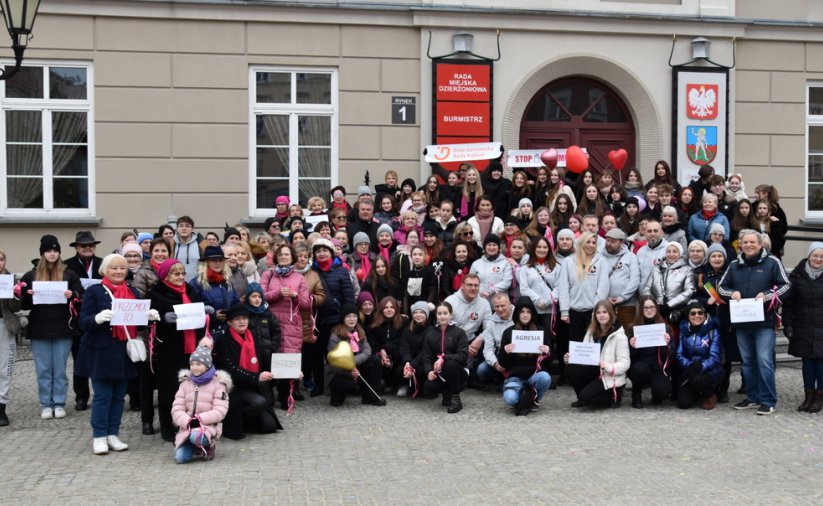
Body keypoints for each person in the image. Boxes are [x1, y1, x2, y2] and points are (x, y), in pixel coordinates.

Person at [76, 253, 161, 454]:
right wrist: (96, 319)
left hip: (124, 351)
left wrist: (148, 318)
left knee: (118, 397)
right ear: (105, 270)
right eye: (114, 268)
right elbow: (83, 322)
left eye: (122, 268)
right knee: (103, 396)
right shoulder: (94, 292)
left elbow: (138, 324)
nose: (118, 271)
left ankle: (113, 434)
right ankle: (99, 436)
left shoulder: (133, 292)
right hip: (101, 351)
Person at [718, 230, 790, 415]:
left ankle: (768, 400)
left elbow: (786, 285)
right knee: (748, 362)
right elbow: (721, 287)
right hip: (742, 322)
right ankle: (753, 396)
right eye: (745, 242)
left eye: (752, 242)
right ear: (740, 245)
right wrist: (731, 294)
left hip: (765, 322)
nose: (748, 245)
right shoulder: (734, 265)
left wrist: (767, 295)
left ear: (760, 245)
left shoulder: (772, 262)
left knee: (764, 360)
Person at [18, 235, 84, 420]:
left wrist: (73, 294)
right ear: (42, 253)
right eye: (49, 250)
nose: (52, 254)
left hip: (63, 327)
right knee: (43, 369)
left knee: (60, 368)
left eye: (55, 251)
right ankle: (45, 404)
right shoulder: (31, 275)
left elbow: (82, 296)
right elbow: (23, 304)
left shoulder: (69, 274)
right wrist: (27, 294)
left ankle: (59, 402)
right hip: (40, 328)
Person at [148, 258, 207, 441]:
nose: (180, 276)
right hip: (169, 348)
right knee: (169, 388)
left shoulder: (191, 290)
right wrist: (163, 319)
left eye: (182, 273)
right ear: (166, 275)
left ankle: (189, 422)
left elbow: (198, 313)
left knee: (191, 387)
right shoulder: (156, 293)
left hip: (191, 347)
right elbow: (150, 320)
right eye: (176, 273)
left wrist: (205, 313)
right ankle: (167, 425)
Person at [213, 304, 282, 439]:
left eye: (244, 318)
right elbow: (231, 370)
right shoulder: (223, 341)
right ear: (229, 322)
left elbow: (265, 359)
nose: (242, 322)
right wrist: (256, 377)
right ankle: (231, 420)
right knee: (260, 402)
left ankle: (246, 421)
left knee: (269, 427)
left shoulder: (252, 337)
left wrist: (290, 373)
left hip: (254, 386)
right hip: (235, 389)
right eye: (237, 319)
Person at [308, 238, 355, 397]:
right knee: (316, 354)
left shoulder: (341, 270)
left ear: (331, 252)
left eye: (324, 250)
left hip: (336, 319)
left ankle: (336, 384)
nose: (321, 254)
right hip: (316, 319)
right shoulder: (311, 272)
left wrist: (346, 319)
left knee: (337, 352)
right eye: (318, 251)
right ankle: (319, 385)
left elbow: (348, 296)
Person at [63, 230, 103, 411]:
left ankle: (100, 394)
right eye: (84, 245)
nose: (88, 248)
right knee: (79, 358)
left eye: (91, 245)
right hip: (77, 318)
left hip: (100, 318)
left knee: (99, 358)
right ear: (76, 247)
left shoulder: (103, 264)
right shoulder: (67, 266)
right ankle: (81, 396)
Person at [564, 300, 630, 408]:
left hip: (608, 376)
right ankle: (582, 397)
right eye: (598, 313)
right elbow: (583, 355)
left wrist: (608, 366)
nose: (601, 315)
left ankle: (613, 397)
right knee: (570, 369)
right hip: (595, 371)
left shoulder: (619, 335)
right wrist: (571, 358)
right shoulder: (591, 332)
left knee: (587, 399)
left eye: (604, 312)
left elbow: (625, 363)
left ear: (610, 314)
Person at [782, 242, 823, 413]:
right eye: (815, 255)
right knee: (807, 363)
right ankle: (808, 396)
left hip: (821, 325)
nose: (818, 259)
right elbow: (788, 301)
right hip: (802, 324)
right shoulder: (797, 275)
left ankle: (819, 398)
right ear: (809, 256)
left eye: (821, 257)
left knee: (821, 363)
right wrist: (787, 323)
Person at [171, 346, 230, 463]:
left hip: (207, 426)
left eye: (198, 364)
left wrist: (199, 419)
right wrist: (187, 421)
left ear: (207, 366)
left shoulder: (218, 384)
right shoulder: (185, 383)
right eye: (192, 364)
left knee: (196, 436)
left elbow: (220, 410)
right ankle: (195, 447)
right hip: (187, 427)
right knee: (180, 458)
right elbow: (176, 408)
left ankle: (208, 445)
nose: (194, 368)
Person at [497, 298, 552, 415]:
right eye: (522, 312)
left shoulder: (541, 331)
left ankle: (534, 398)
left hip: (535, 374)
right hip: (515, 376)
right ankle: (523, 398)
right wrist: (505, 351)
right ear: (517, 313)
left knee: (545, 378)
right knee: (510, 399)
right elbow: (502, 364)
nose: (525, 315)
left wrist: (547, 352)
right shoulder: (508, 332)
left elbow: (549, 363)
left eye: (528, 312)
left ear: (532, 314)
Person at [326, 304, 386, 407]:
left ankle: (370, 397)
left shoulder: (360, 331)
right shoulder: (335, 337)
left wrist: (352, 362)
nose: (352, 319)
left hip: (355, 366)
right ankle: (336, 397)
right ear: (343, 319)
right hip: (339, 371)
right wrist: (349, 371)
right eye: (348, 316)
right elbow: (333, 364)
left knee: (375, 360)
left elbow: (367, 351)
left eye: (354, 316)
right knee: (340, 395)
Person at [558, 232, 610, 342]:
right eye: (588, 242)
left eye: (593, 243)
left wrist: (596, 311)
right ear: (581, 243)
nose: (591, 245)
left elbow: (602, 288)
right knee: (575, 344)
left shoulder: (601, 261)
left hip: (592, 311)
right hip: (573, 311)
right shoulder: (568, 261)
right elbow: (563, 287)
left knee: (592, 345)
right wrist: (564, 311)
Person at [421, 301, 469, 413]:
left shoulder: (459, 332)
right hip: (439, 371)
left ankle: (456, 398)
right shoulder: (430, 333)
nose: (442, 316)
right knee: (429, 388)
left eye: (445, 313)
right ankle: (446, 392)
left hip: (457, 372)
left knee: (450, 365)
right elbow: (426, 356)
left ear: (451, 315)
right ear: (436, 315)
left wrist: (444, 358)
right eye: (439, 313)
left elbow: (463, 356)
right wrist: (429, 371)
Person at [676, 301, 724, 410]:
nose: (697, 316)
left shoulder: (713, 331)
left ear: (705, 315)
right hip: (690, 369)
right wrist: (690, 365)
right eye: (693, 313)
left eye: (700, 313)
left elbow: (715, 357)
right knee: (683, 403)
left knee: (698, 379)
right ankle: (697, 393)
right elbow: (679, 354)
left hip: (710, 369)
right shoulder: (683, 331)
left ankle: (710, 394)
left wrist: (700, 366)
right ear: (688, 316)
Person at [626, 296, 672, 408]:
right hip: (639, 367)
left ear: (656, 309)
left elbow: (671, 355)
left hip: (658, 367)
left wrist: (667, 345)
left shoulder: (665, 328)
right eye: (645, 308)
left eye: (652, 307)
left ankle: (657, 395)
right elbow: (626, 355)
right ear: (641, 310)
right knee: (640, 369)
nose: (649, 310)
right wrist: (631, 346)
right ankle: (636, 394)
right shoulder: (633, 328)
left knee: (663, 391)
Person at [641, 242, 695, 330]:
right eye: (668, 251)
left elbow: (689, 291)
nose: (671, 254)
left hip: (676, 312)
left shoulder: (687, 269)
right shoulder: (656, 269)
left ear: (680, 254)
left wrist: (669, 305)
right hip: (656, 311)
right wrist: (654, 304)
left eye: (675, 251)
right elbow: (646, 289)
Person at [0, 248, 23, 427]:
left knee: (5, 367)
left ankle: (1, 408)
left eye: (1, 259)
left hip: (4, 326)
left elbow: (15, 308)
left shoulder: (10, 280)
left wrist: (16, 294)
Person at [601, 228, 641, 329]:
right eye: (608, 240)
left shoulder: (630, 257)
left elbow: (635, 279)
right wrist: (605, 298)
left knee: (627, 333)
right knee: (605, 334)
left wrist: (622, 298)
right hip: (605, 305)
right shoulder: (599, 257)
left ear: (621, 242)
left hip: (627, 305)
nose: (609, 243)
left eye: (613, 241)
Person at [476, 293, 514, 389]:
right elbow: (488, 349)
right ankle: (497, 379)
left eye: (503, 305)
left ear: (509, 304)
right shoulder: (491, 323)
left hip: (516, 357)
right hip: (499, 355)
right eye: (497, 306)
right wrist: (495, 363)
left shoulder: (519, 316)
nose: (500, 309)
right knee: (481, 369)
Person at [397, 302, 431, 397]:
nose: (418, 315)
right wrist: (407, 362)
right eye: (415, 312)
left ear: (426, 314)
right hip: (410, 360)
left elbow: (426, 351)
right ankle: (405, 385)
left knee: (421, 371)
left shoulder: (431, 330)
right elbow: (404, 348)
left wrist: (413, 365)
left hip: (423, 362)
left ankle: (422, 388)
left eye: (421, 312)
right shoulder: (407, 330)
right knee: (400, 370)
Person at [470, 234, 512, 302]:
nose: (491, 247)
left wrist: (490, 290)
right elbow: (470, 281)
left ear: (498, 247)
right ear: (484, 247)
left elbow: (507, 282)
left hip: (500, 303)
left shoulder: (505, 262)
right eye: (489, 245)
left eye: (494, 245)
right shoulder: (476, 264)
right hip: (480, 301)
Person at [636, 219, 668, 287]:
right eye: (649, 231)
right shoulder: (640, 252)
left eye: (655, 231)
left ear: (662, 233)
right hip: (643, 294)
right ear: (645, 233)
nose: (652, 234)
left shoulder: (669, 249)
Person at [173, 216, 201, 282]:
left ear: (192, 229)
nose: (184, 228)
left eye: (187, 226)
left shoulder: (200, 244)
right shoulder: (171, 244)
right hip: (176, 285)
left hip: (196, 286)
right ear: (177, 229)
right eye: (181, 226)